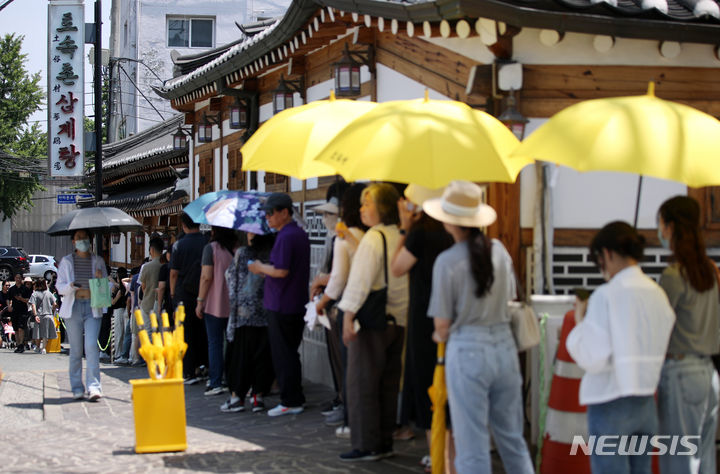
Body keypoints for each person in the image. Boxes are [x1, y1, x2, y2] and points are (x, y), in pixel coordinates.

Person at [425, 181, 533, 474]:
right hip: (504, 348)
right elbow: (510, 297)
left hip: (468, 351)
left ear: (449, 220)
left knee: (472, 445)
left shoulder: (446, 262)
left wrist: (437, 334)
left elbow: (442, 326)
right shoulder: (498, 250)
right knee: (512, 439)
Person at [566, 221, 676, 474]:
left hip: (609, 400)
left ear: (607, 253)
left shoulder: (606, 295)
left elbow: (592, 357)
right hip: (646, 402)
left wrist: (581, 321)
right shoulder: (658, 293)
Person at [337, 183, 409, 461]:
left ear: (383, 208)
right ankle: (384, 441)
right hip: (397, 321)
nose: (362, 209)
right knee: (388, 385)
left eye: (368, 203)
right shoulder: (398, 235)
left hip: (372, 323)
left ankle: (366, 444)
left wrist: (348, 317)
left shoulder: (373, 238)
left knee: (361, 383)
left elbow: (359, 281)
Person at [391, 184, 453, 471]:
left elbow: (397, 267)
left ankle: (437, 454)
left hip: (424, 316)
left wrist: (404, 229)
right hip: (452, 316)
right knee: (447, 385)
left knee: (428, 383)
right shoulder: (452, 234)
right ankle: (449, 454)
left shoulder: (420, 235)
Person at [656, 196, 719, 474]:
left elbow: (659, 325)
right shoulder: (711, 271)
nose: (659, 231)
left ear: (670, 226)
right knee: (704, 459)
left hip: (680, 372)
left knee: (679, 461)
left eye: (659, 223)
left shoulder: (673, 274)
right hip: (709, 373)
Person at [249, 192, 311, 417]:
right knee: (289, 352)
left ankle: (291, 399)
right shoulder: (298, 234)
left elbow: (281, 270)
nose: (267, 217)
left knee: (284, 354)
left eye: (270, 213)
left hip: (282, 303)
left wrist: (259, 267)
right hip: (293, 300)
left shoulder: (286, 236)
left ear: (284, 213)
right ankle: (294, 396)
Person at [315, 183, 368, 436]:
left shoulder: (346, 236)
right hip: (358, 307)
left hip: (345, 307)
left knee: (349, 364)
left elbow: (337, 278)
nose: (326, 218)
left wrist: (322, 301)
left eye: (330, 213)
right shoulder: (364, 236)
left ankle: (351, 415)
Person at [222, 231, 276, 413]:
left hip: (243, 314)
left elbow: (232, 281)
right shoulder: (273, 253)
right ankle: (258, 396)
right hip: (267, 312)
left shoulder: (243, 253)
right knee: (262, 357)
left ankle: (237, 397)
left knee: (241, 357)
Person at [56, 229, 109, 401]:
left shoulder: (98, 261)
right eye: (79, 238)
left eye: (85, 238)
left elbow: (104, 291)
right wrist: (70, 285)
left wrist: (100, 279)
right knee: (76, 350)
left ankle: (94, 387)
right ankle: (77, 387)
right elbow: (60, 287)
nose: (82, 241)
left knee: (91, 346)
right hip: (73, 308)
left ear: (90, 240)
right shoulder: (66, 261)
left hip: (92, 307)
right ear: (73, 241)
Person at [196, 226, 238, 396]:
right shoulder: (236, 249)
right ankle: (230, 379)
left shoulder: (210, 249)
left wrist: (200, 301)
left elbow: (206, 276)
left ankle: (215, 382)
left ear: (214, 231)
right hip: (234, 303)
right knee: (231, 342)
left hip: (214, 302)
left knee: (214, 343)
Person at [170, 213, 209, 384]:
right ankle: (205, 366)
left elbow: (173, 273)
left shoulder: (179, 245)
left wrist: (172, 294)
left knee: (186, 333)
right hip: (204, 293)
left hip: (184, 294)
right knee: (203, 331)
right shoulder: (207, 242)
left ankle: (189, 371)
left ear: (184, 225)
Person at [30, 278, 57, 354]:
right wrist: (52, 311)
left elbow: (33, 305)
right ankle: (44, 348)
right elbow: (55, 304)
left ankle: (38, 347)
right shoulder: (49, 293)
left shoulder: (34, 294)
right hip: (48, 315)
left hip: (39, 315)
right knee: (45, 332)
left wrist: (35, 315)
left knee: (38, 332)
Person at [140, 237, 164, 319]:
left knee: (148, 330)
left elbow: (143, 286)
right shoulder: (166, 265)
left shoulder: (146, 266)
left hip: (148, 303)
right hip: (163, 305)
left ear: (152, 249)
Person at [8, 273, 31, 353]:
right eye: (17, 278)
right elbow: (8, 298)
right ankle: (18, 345)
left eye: (19, 278)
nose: (18, 279)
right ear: (15, 278)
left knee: (21, 328)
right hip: (15, 311)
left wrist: (21, 299)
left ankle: (21, 344)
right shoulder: (12, 289)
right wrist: (9, 306)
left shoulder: (25, 289)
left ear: (22, 279)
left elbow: (28, 300)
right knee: (16, 329)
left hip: (23, 311)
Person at [111, 268, 128, 363]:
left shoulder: (119, 290)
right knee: (123, 333)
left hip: (118, 311)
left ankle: (118, 353)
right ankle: (122, 353)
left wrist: (111, 293)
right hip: (125, 310)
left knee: (118, 333)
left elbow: (113, 302)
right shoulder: (125, 287)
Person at [156, 247, 173, 322]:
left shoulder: (166, 267)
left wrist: (159, 306)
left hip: (169, 303)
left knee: (168, 330)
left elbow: (162, 287)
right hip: (187, 302)